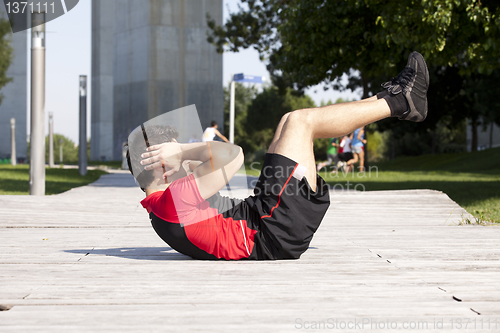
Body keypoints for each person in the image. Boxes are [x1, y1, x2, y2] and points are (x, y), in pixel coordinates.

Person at [126, 51, 429, 260]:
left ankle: (393, 100)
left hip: (267, 219)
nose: (186, 161)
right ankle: (399, 101)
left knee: (288, 120)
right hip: (275, 227)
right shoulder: (171, 202)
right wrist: (180, 150)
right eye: (176, 157)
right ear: (162, 166)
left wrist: (180, 154)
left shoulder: (162, 209)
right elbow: (233, 156)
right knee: (301, 122)